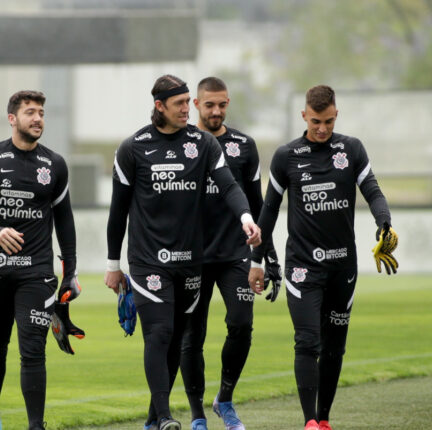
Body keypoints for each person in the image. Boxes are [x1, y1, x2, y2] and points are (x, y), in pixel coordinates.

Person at [104, 74, 261, 430]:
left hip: (191, 262)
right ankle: (163, 417)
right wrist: (114, 264)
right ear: (159, 106)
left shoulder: (203, 143)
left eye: (189, 102)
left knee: (176, 338)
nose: (186, 110)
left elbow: (229, 185)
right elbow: (118, 212)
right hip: (148, 261)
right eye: (179, 104)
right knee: (158, 333)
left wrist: (246, 218)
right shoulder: (133, 148)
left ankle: (150, 420)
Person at [248, 85, 396, 430]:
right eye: (316, 121)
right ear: (304, 116)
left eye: (328, 121)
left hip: (343, 266)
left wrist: (384, 223)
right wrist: (256, 261)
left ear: (336, 115)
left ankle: (325, 419)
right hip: (302, 267)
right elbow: (268, 212)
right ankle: (309, 421)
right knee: (307, 341)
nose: (322, 129)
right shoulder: (287, 156)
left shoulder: (352, 149)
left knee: (334, 347)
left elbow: (372, 191)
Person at [0, 90, 80, 430]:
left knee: (33, 348)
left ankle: (35, 426)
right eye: (30, 112)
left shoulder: (54, 164)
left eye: (41, 112)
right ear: (12, 118)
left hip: (36, 273)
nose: (38, 118)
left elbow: (65, 221)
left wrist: (70, 272)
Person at [179, 77, 282, 430]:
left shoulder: (243, 146)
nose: (216, 111)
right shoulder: (182, 144)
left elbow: (258, 206)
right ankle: (196, 415)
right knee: (192, 335)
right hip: (191, 258)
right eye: (209, 105)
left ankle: (224, 399)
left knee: (241, 324)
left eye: (222, 104)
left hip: (236, 254)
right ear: (195, 105)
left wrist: (268, 257)